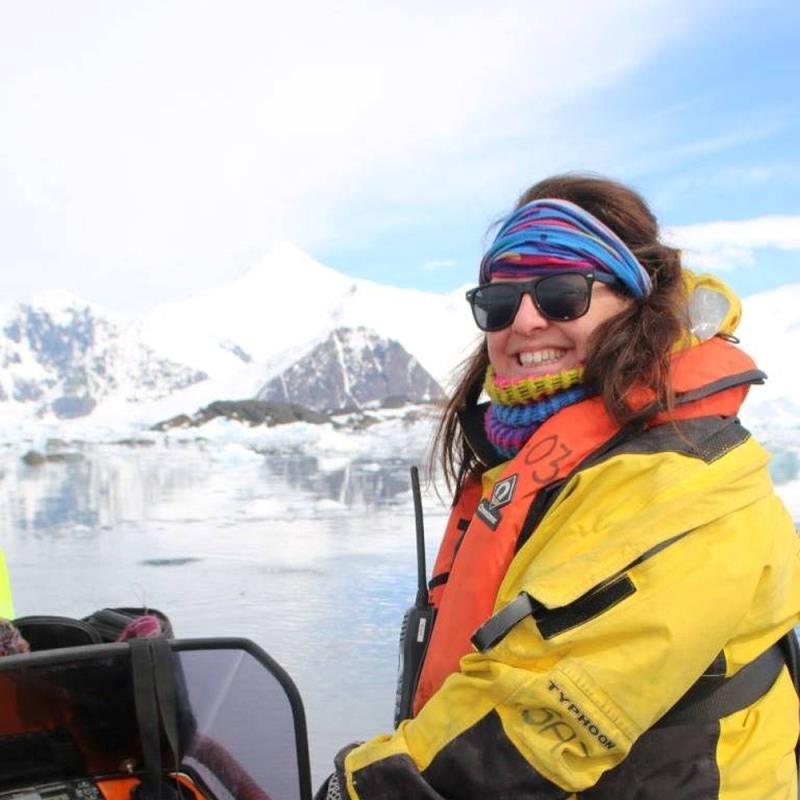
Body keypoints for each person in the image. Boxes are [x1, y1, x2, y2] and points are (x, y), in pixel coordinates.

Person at [318, 174, 800, 799]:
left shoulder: (684, 480)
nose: (523, 320)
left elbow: (531, 728)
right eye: (499, 301)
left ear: (635, 301)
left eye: (561, 294)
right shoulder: (544, 461)